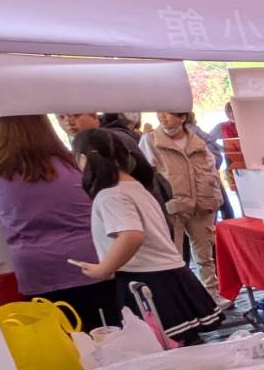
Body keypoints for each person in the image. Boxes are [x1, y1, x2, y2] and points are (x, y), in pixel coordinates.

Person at [0, 115, 119, 328]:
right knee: (110, 336)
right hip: (94, 261)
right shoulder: (75, 161)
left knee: (62, 344)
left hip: (38, 270)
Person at [69, 129, 222, 342]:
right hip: (168, 275)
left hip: (147, 281)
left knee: (169, 351)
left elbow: (131, 235)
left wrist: (103, 269)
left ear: (83, 159)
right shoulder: (135, 187)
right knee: (185, 346)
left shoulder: (111, 195)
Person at [145, 110, 227, 297]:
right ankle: (182, 298)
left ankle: (211, 295)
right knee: (174, 256)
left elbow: (212, 166)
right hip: (173, 207)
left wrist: (212, 194)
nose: (161, 116)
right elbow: (146, 174)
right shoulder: (151, 140)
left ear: (182, 118)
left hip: (202, 205)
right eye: (160, 113)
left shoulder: (197, 140)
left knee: (205, 255)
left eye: (167, 113)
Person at [207, 100, 247, 189]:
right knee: (241, 191)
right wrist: (222, 149)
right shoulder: (222, 127)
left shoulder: (249, 124)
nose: (232, 114)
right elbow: (207, 140)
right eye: (230, 111)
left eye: (234, 111)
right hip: (233, 164)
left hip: (251, 162)